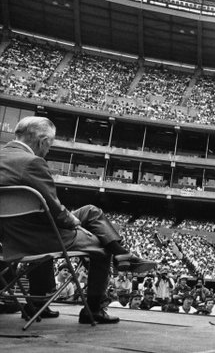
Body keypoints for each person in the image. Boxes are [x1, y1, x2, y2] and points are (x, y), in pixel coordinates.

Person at [0, 116, 157, 324]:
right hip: (41, 238)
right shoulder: (33, 163)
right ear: (42, 141)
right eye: (50, 145)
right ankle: (94, 309)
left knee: (91, 212)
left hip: (11, 238)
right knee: (102, 247)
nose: (49, 150)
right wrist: (75, 222)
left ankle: (36, 305)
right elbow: (56, 213)